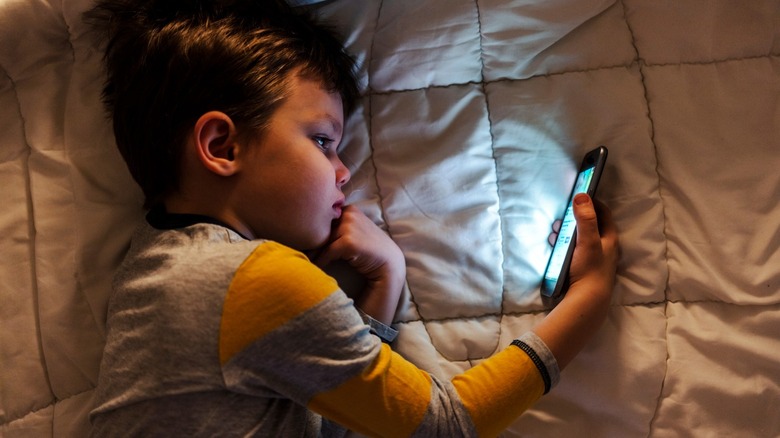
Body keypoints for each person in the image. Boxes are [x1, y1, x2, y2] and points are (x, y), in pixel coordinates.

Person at [86, 0, 619, 436]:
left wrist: (385, 280)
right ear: (222, 144)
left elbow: (340, 414)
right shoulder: (252, 279)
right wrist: (589, 300)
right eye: (322, 142)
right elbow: (444, 426)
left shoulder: (154, 267)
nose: (343, 172)